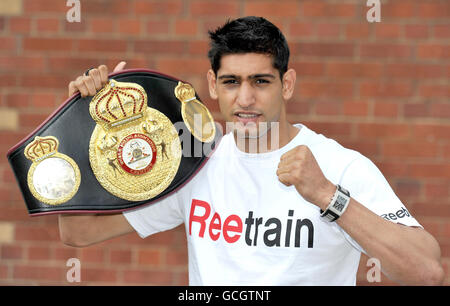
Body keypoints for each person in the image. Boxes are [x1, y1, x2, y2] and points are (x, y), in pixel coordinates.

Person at [60, 16, 444, 285]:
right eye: (231, 82)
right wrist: (83, 126)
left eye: (261, 81)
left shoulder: (339, 167)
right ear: (212, 84)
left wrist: (328, 196)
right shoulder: (195, 159)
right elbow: (78, 231)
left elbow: (427, 271)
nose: (245, 98)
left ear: (287, 83)